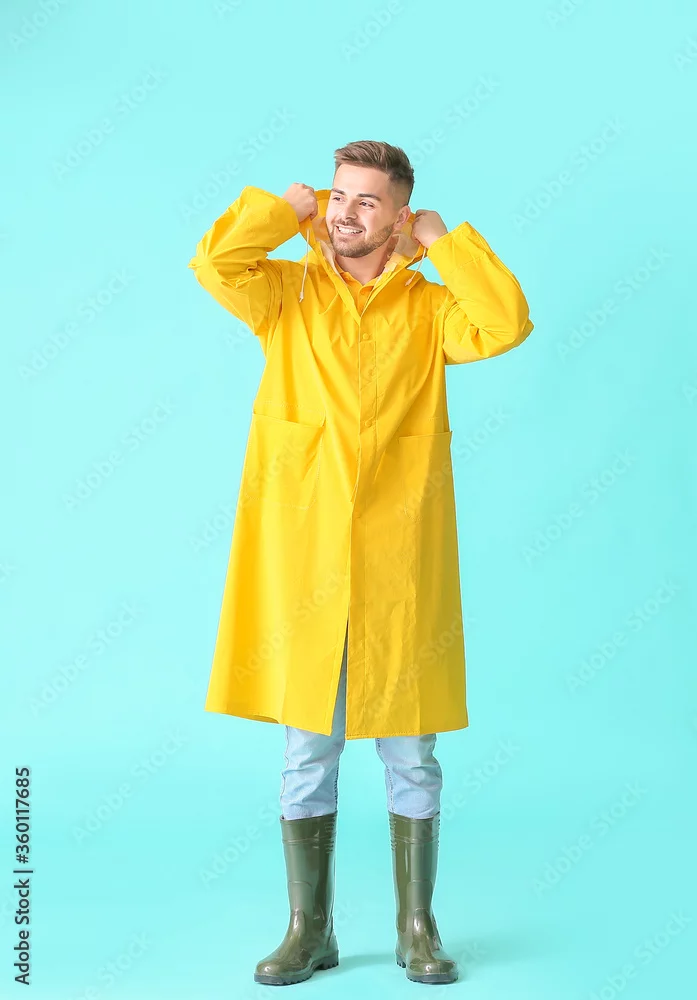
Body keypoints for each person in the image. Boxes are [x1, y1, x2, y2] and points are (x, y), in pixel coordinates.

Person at [188, 140, 534, 986]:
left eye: (366, 200)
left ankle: (417, 927)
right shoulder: (285, 294)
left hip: (396, 558)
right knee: (307, 750)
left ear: (398, 214)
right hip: (306, 556)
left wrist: (445, 241)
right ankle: (308, 929)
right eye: (339, 196)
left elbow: (504, 322)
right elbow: (213, 263)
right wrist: (284, 210)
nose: (346, 212)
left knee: (411, 753)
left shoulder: (429, 308)